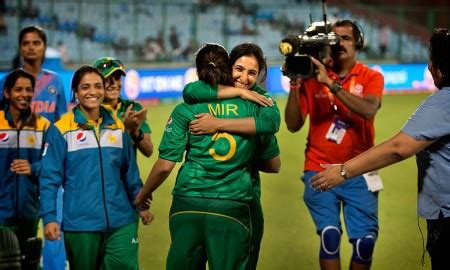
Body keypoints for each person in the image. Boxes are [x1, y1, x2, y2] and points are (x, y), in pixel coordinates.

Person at [310, 28, 450, 270]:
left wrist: (343, 171)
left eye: (432, 60)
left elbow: (399, 147)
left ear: (439, 67)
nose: (428, 66)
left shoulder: (443, 102)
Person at [135, 43, 273, 270]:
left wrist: (143, 194)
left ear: (199, 71)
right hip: (231, 203)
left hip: (187, 202)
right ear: (227, 69)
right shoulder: (252, 108)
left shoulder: (186, 108)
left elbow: (164, 166)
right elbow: (274, 163)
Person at [284, 19, 384, 270]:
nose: (339, 43)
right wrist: (296, 83)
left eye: (346, 38)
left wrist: (331, 84)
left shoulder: (371, 76)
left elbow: (369, 109)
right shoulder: (312, 75)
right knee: (330, 237)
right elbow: (293, 124)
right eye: (334, 38)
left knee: (365, 243)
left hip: (360, 168)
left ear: (358, 43)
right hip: (318, 167)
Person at [39, 66, 152, 270]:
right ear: (75, 91)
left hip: (122, 221)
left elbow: (130, 173)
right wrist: (49, 218)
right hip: (81, 224)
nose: (93, 92)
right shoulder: (61, 130)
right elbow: (49, 178)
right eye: (85, 87)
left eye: (98, 86)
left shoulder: (118, 127)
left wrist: (141, 206)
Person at [182, 42, 281, 269]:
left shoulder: (261, 98)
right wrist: (238, 92)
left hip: (244, 197)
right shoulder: (214, 90)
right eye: (239, 69)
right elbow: (189, 90)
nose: (244, 78)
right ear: (228, 67)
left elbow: (271, 122)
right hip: (229, 195)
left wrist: (218, 124)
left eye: (252, 73)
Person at [0, 26, 69, 270]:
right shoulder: (6, 81)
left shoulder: (55, 82)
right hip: (13, 164)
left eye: (36, 42)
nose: (31, 47)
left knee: (51, 229)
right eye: (26, 42)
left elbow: (62, 125)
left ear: (43, 46)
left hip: (46, 166)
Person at [0, 69, 51, 269]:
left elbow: (53, 165)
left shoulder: (43, 125)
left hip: (30, 213)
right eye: (18, 89)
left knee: (30, 264)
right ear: (7, 93)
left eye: (28, 90)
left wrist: (33, 167)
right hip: (2, 214)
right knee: (7, 264)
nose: (24, 94)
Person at [93, 57, 153, 158]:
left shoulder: (133, 107)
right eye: (107, 79)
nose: (114, 84)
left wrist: (135, 132)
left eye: (117, 78)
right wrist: (126, 129)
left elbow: (149, 151)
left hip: (128, 174)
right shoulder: (89, 111)